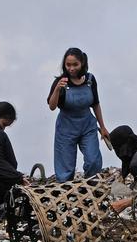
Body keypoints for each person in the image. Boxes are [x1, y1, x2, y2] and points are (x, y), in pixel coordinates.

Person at [47, 47, 110, 181]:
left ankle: (90, 186)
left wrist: (103, 127)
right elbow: (52, 106)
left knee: (94, 161)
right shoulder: (61, 82)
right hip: (66, 128)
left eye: (75, 64)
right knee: (65, 170)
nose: (71, 68)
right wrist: (57, 89)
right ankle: (66, 194)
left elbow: (96, 104)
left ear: (82, 63)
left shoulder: (90, 80)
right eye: (68, 65)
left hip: (87, 126)